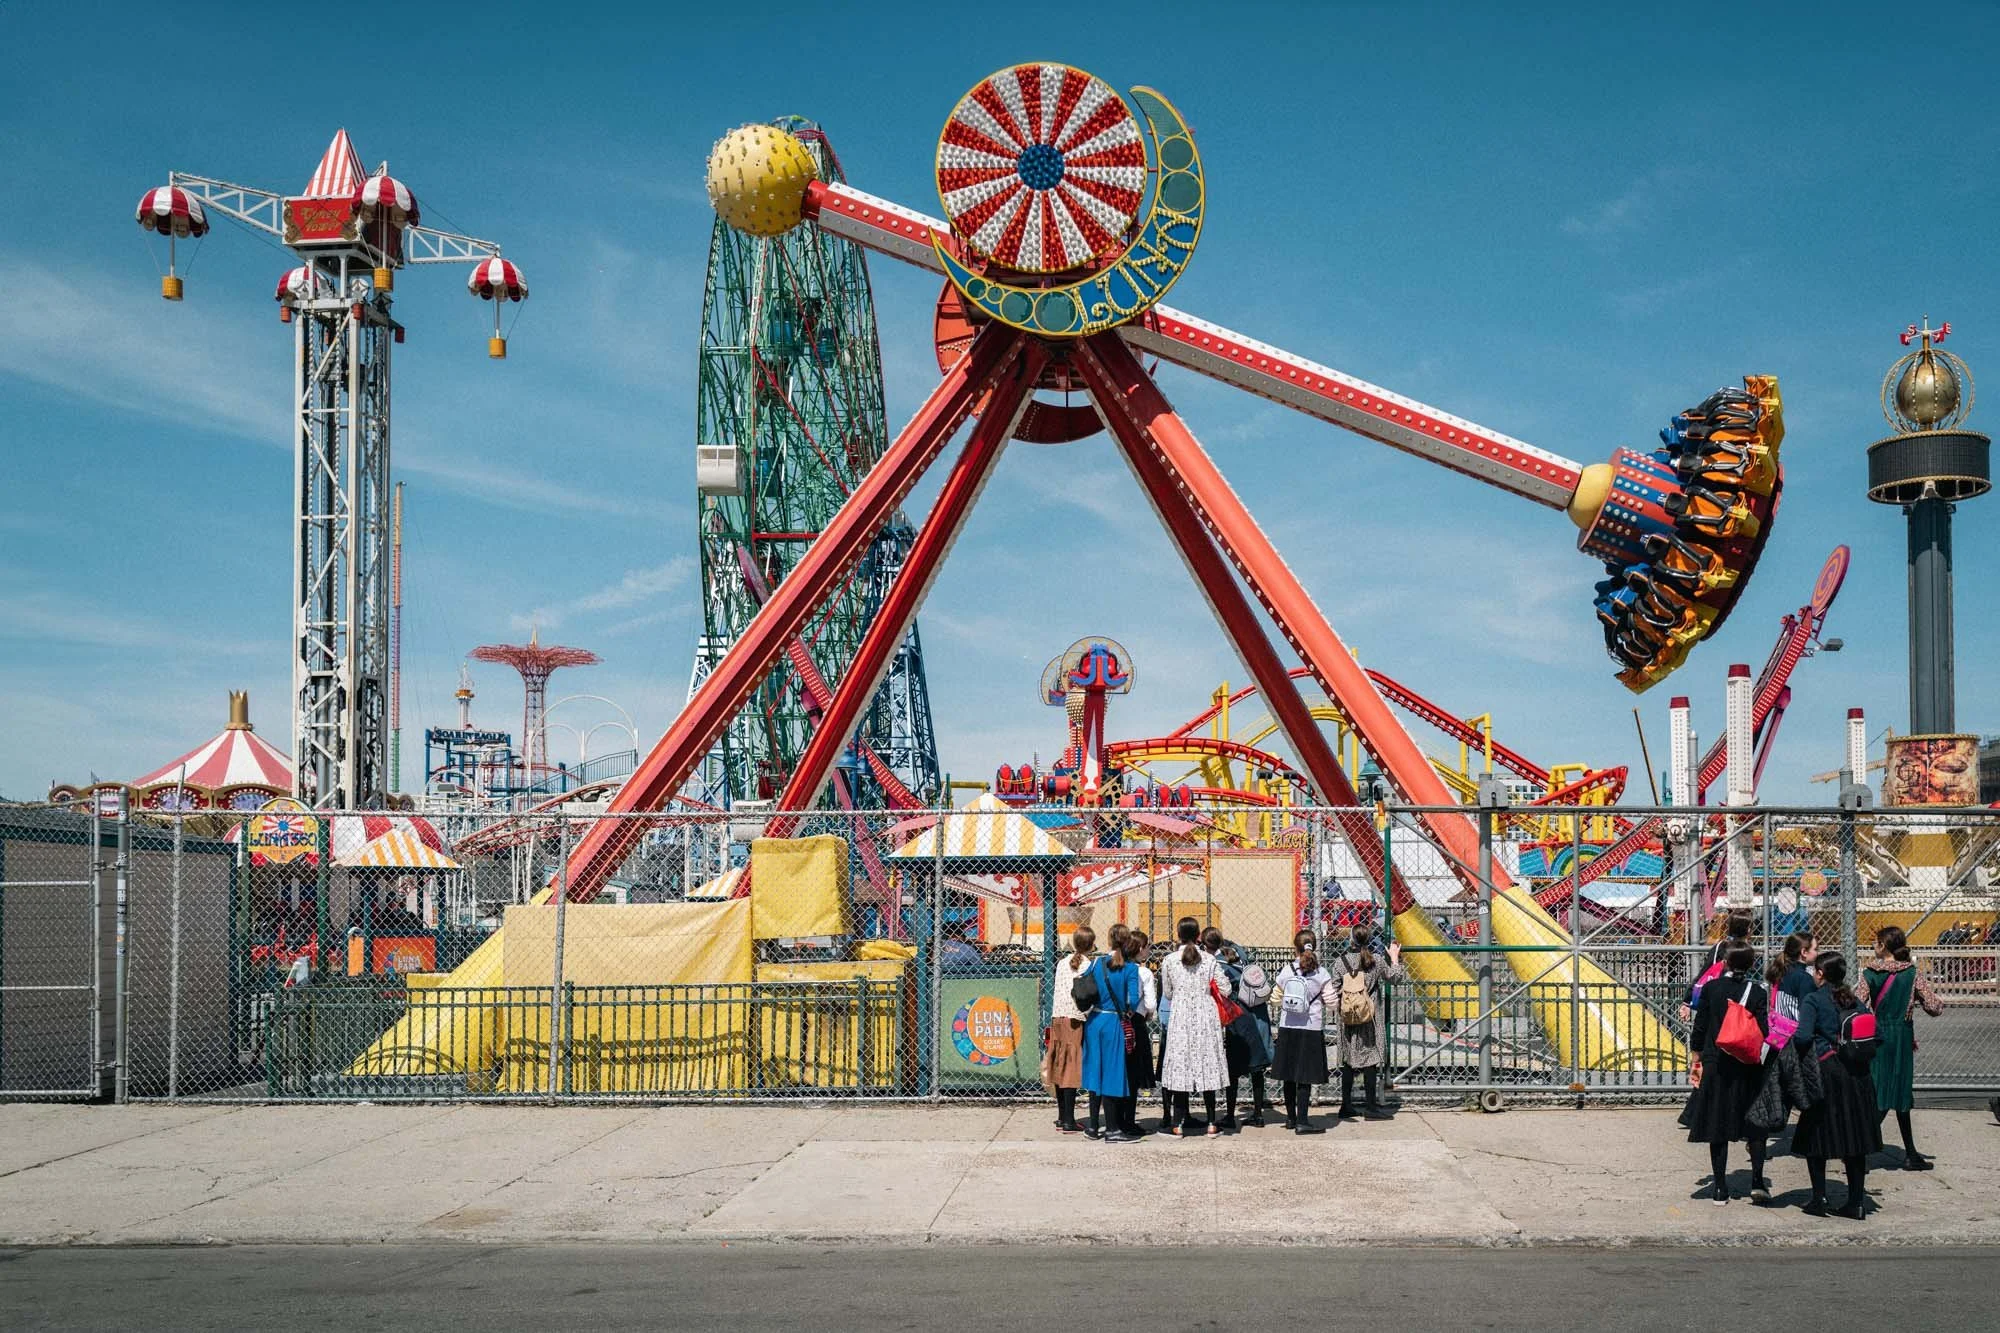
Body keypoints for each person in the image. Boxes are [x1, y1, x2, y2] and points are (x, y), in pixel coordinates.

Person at [1792, 954, 1882, 1217]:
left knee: (1816, 1135)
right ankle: (1856, 1201)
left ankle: (1818, 1198)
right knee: (1854, 1137)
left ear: (1820, 973)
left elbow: (1803, 1037)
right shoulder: (1854, 1001)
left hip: (1827, 1074)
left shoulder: (1814, 1000)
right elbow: (1878, 1036)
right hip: (1858, 1077)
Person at [1682, 943, 1770, 1205]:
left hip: (1716, 1061)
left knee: (1717, 1124)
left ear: (1726, 963)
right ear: (1752, 964)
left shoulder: (1712, 988)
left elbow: (1701, 1026)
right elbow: (1764, 1028)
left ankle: (1720, 1186)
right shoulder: (1756, 991)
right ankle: (1757, 1180)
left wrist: (1696, 1055)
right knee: (1754, 1125)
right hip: (1747, 1064)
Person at [1862, 925, 1945, 1171]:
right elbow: (1934, 1007)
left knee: (1880, 1091)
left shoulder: (1869, 973)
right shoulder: (1912, 974)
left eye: (1876, 943)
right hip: (1901, 1037)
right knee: (1899, 1093)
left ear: (1883, 946)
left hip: (1877, 1036)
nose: (1873, 947)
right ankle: (1905, 1153)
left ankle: (1872, 1149)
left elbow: (1858, 1002)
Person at [1158, 919, 1232, 1136]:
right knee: (1206, 1063)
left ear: (1178, 934)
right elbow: (1226, 989)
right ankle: (1211, 1122)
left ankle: (1177, 1124)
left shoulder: (1170, 960)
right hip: (1205, 1016)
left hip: (1180, 1016)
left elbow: (1168, 992)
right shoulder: (1209, 960)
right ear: (1199, 935)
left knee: (1181, 1065)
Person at [1079, 931, 1149, 1143]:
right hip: (1113, 1023)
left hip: (1094, 1021)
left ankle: (1093, 1125)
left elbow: (1087, 987)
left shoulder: (1097, 963)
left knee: (1095, 1071)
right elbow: (1133, 1000)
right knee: (1112, 1074)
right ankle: (1112, 1129)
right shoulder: (1130, 969)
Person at [1334, 926, 1406, 1119]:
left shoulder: (1340, 962)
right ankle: (1371, 1106)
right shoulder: (1376, 961)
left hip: (1348, 1018)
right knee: (1370, 1061)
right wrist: (1395, 958)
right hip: (1370, 1017)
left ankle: (1346, 1105)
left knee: (1347, 1061)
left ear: (1351, 940)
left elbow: (1334, 988)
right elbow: (1396, 977)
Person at [1271, 930, 1336, 1134]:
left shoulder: (1287, 970)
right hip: (1311, 1028)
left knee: (1289, 1074)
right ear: (1313, 947)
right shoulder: (1322, 973)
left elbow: (1274, 998)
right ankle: (1303, 1120)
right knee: (1305, 1075)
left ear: (1295, 948)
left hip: (1288, 1026)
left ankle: (1290, 1118)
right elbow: (1332, 1002)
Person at [1216, 940, 1273, 1129]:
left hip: (1236, 1016)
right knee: (1257, 1069)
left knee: (1233, 1071)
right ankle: (1258, 1114)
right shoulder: (1245, 963)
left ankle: (1230, 1115)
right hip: (1257, 1016)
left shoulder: (1219, 965)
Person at [1046, 926, 1096, 1133]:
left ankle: (1061, 1115)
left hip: (1057, 1016)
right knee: (1071, 1068)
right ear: (1091, 944)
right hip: (1074, 1019)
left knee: (1059, 1063)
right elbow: (1088, 995)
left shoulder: (1062, 963)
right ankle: (1069, 1120)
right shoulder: (1088, 965)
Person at [1681, 911, 1753, 1022]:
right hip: (1738, 1000)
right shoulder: (1746, 951)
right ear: (1748, 930)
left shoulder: (1721, 946)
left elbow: (1705, 971)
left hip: (1718, 997)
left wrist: (1688, 1000)